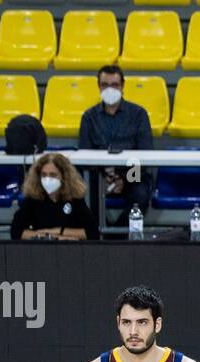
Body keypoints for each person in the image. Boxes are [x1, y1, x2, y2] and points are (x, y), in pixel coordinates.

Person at [79, 65, 154, 233]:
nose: (109, 89)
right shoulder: (88, 117)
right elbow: (85, 154)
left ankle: (116, 237)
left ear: (122, 86)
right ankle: (96, 233)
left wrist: (123, 179)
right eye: (105, 85)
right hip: (99, 175)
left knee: (140, 195)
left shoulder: (138, 114)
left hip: (132, 174)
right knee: (83, 194)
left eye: (114, 84)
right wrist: (104, 177)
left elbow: (145, 153)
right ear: (98, 86)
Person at [10, 153, 99, 241]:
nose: (47, 179)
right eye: (44, 175)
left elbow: (93, 233)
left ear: (64, 176)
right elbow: (15, 232)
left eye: (53, 175)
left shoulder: (74, 198)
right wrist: (48, 237)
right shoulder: (33, 198)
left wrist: (58, 231)